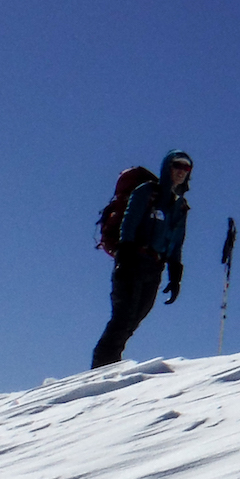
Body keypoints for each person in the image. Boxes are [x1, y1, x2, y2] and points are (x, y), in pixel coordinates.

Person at [91, 150, 192, 369]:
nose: (181, 172)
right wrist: (125, 256)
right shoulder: (146, 192)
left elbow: (176, 241)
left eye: (186, 168)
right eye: (178, 166)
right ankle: (101, 368)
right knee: (123, 317)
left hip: (155, 267)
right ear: (167, 167)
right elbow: (129, 222)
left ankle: (109, 364)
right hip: (133, 259)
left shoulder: (180, 207)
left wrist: (175, 273)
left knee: (136, 317)